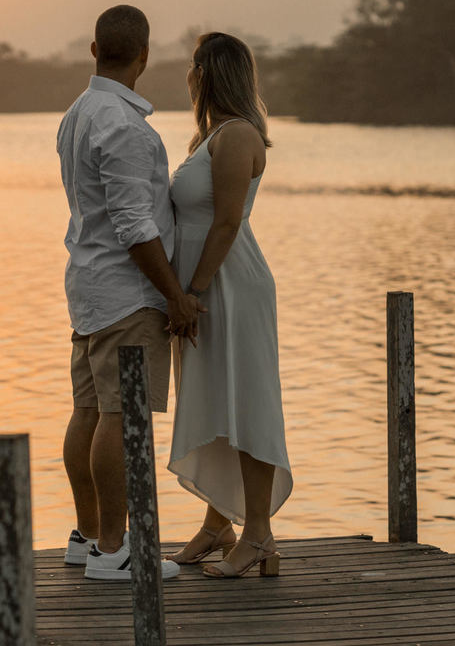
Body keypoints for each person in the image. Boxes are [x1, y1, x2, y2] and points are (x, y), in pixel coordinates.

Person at [56, 4, 205, 581]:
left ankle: (87, 536)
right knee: (122, 415)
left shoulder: (78, 114)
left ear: (95, 50)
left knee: (90, 410)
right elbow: (134, 224)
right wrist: (174, 295)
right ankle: (114, 551)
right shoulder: (123, 126)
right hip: (127, 291)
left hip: (89, 284)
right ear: (144, 55)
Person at [165, 32, 294, 578]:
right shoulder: (209, 135)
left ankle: (260, 534)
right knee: (217, 401)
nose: (187, 75)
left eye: (193, 66)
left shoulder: (239, 135)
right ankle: (219, 523)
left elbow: (226, 222)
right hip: (204, 284)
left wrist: (190, 292)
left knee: (247, 401)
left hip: (229, 287)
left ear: (208, 72)